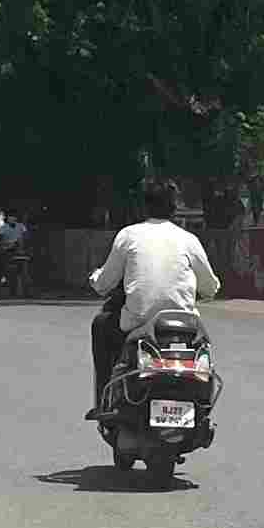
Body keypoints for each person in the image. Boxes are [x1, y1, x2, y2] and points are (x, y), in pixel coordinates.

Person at [88, 177, 219, 418]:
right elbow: (210, 287)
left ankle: (103, 401)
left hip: (137, 323)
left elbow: (104, 283)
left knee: (101, 325)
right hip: (185, 325)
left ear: (143, 206)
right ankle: (203, 407)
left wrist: (95, 278)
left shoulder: (128, 236)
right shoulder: (189, 240)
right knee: (205, 347)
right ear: (174, 207)